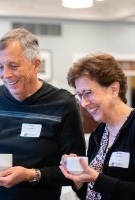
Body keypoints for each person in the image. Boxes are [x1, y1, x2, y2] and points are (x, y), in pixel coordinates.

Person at [0, 28, 86, 200]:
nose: (5, 74)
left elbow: (77, 171)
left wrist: (31, 175)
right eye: (0, 67)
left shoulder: (63, 103)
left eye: (13, 66)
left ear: (36, 64)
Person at [59, 53, 135, 200]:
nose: (84, 103)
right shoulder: (99, 133)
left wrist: (97, 179)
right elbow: (89, 193)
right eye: (80, 95)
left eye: (88, 93)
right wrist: (78, 176)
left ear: (114, 90)